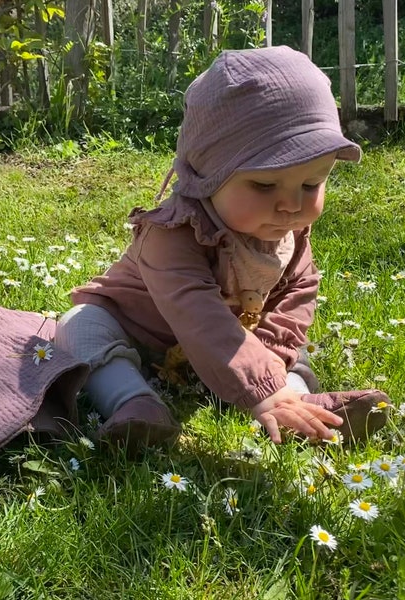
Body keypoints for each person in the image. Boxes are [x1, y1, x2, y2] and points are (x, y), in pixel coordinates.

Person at [55, 46, 389, 448]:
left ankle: (301, 408)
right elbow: (199, 316)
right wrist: (261, 385)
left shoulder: (290, 233)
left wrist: (272, 360)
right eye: (265, 185)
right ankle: (135, 405)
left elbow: (296, 297)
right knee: (81, 327)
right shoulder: (172, 234)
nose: (291, 205)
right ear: (210, 176)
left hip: (228, 348)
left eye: (311, 184)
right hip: (141, 335)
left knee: (291, 349)